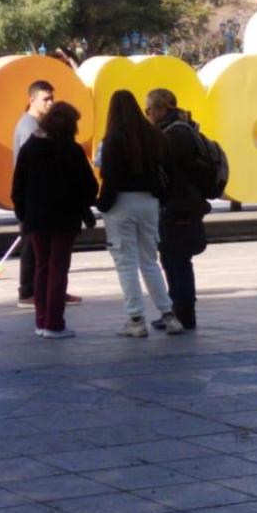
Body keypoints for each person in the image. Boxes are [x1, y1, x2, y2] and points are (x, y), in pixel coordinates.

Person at [11, 100, 98, 339]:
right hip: (64, 219)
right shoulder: (72, 150)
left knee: (41, 268)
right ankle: (54, 323)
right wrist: (83, 207)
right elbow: (89, 186)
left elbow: (18, 186)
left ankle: (41, 321)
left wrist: (23, 213)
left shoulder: (29, 148)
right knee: (58, 268)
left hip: (36, 219)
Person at [97, 89, 176, 337]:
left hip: (121, 204)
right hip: (149, 202)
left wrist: (102, 204)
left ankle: (136, 319)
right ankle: (169, 315)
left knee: (126, 263)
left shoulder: (113, 139)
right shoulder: (154, 135)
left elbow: (110, 177)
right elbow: (167, 171)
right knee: (150, 261)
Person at [145, 88, 208, 331]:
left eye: (149, 109)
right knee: (174, 259)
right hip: (185, 204)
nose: (148, 114)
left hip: (177, 206)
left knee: (176, 260)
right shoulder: (185, 128)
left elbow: (169, 173)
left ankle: (182, 313)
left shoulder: (172, 135)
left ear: (162, 109)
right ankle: (179, 311)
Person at [12, 79, 78, 308]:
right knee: (33, 249)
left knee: (41, 250)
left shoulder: (36, 124)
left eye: (52, 98)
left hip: (35, 201)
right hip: (35, 200)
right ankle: (28, 291)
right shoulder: (30, 127)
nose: (50, 103)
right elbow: (28, 168)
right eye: (45, 99)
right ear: (32, 100)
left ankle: (51, 290)